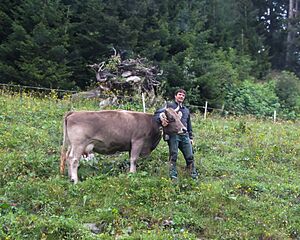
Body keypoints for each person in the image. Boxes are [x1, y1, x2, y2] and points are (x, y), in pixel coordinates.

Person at [155, 89, 198, 180]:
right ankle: (173, 176)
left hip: (184, 135)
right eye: (179, 94)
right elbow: (157, 114)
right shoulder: (169, 106)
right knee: (173, 155)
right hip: (173, 134)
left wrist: (191, 137)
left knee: (190, 155)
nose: (181, 96)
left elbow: (188, 124)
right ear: (175, 96)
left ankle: (193, 175)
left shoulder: (186, 110)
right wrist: (162, 119)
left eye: (183, 95)